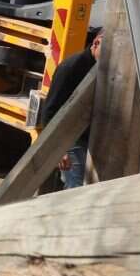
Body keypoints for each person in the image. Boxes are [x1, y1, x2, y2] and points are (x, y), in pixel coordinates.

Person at [41, 28, 101, 187]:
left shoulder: (103, 67)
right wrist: (58, 150)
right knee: (75, 187)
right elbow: (49, 111)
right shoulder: (70, 67)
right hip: (71, 139)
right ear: (96, 43)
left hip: (89, 137)